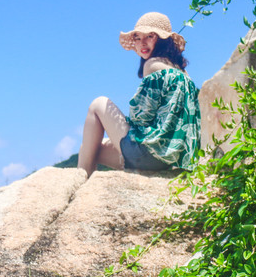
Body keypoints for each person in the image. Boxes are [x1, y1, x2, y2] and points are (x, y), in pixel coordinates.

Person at [77, 11, 201, 177]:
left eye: (150, 36)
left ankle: (79, 182)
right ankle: (84, 188)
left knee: (98, 104)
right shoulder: (184, 74)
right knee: (91, 146)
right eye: (137, 37)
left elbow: (140, 118)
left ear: (163, 40)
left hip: (149, 154)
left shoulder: (152, 65)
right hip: (172, 158)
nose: (142, 42)